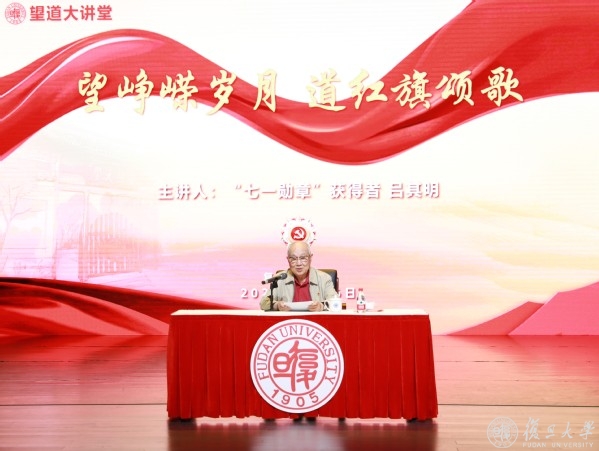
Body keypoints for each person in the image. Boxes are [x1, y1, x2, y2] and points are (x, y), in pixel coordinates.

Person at [259, 241, 337, 312]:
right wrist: (277, 305)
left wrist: (321, 306)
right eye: (293, 259)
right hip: (288, 321)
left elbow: (335, 303)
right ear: (288, 259)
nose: (298, 263)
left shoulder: (324, 278)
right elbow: (263, 303)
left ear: (310, 258)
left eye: (303, 258)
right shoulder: (280, 279)